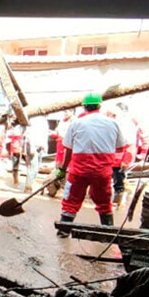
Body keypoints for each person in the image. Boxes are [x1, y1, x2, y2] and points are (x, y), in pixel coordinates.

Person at [56, 93, 126, 237]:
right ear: (99, 106)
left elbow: (68, 150)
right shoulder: (113, 123)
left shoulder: (76, 124)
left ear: (84, 107)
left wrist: (62, 169)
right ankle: (108, 233)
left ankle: (63, 231)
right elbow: (120, 148)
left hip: (79, 171)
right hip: (102, 172)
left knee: (71, 200)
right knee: (104, 202)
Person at [23, 116, 50, 193]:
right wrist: (31, 147)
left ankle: (29, 185)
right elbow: (28, 134)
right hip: (32, 146)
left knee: (36, 169)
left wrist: (45, 147)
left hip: (39, 147)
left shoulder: (44, 121)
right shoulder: (34, 120)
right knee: (32, 168)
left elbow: (45, 135)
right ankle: (28, 187)